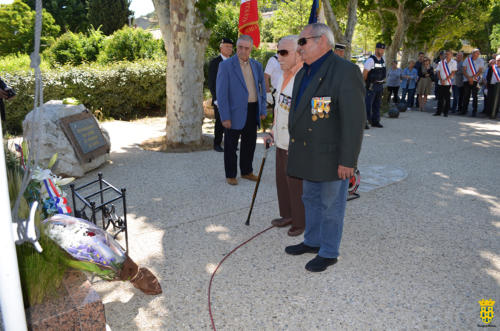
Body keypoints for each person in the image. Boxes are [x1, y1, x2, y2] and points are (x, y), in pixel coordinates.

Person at [285, 23, 365, 272]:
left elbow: (354, 121)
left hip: (332, 156)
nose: (299, 48)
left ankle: (329, 251)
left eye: (303, 42)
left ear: (322, 41)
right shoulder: (303, 72)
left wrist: (348, 160)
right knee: (310, 198)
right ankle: (313, 241)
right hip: (309, 152)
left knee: (332, 205)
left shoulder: (345, 71)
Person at [265, 35, 305, 236]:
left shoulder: (304, 78)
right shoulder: (282, 76)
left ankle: (300, 221)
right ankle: (288, 214)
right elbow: (280, 108)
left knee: (296, 184)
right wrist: (272, 130)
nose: (278, 57)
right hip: (280, 138)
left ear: (299, 54)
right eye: (277, 52)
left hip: (295, 142)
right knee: (282, 180)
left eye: (283, 52)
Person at [216, 35, 267, 185]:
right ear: (236, 48)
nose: (243, 51)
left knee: (249, 143)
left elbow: (262, 89)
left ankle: (247, 171)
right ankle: (231, 174)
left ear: (251, 49)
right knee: (231, 145)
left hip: (252, 109)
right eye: (240, 47)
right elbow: (221, 93)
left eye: (246, 48)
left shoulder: (257, 65)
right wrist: (224, 117)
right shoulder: (225, 66)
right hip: (233, 111)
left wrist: (262, 109)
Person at [208, 38, 234, 152]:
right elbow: (212, 82)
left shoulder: (234, 62)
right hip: (220, 98)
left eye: (231, 47)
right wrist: (216, 99)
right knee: (220, 122)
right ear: (221, 47)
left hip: (232, 98)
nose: (229, 49)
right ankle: (217, 143)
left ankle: (230, 143)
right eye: (226, 46)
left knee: (232, 122)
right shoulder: (215, 62)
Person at [363, 42, 386, 129]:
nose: (382, 51)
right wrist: (365, 85)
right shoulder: (371, 60)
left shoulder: (383, 60)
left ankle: (375, 121)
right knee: (367, 104)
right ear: (376, 49)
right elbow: (364, 74)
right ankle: (364, 122)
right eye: (381, 49)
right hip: (371, 86)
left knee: (377, 104)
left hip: (380, 86)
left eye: (383, 49)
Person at [460, 49, 484, 117]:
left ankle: (474, 111)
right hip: (466, 80)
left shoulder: (481, 60)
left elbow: (480, 71)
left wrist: (472, 78)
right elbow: (464, 70)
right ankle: (464, 110)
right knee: (466, 96)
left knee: (475, 96)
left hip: (475, 80)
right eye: (476, 53)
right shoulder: (467, 60)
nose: (477, 54)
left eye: (478, 53)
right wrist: (469, 78)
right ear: (472, 53)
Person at [433, 50, 457, 117]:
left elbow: (453, 72)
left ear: (451, 55)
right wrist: (441, 80)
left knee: (447, 98)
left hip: (448, 82)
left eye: (448, 54)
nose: (447, 55)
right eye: (446, 54)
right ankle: (438, 112)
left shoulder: (454, 62)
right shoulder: (441, 62)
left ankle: (446, 112)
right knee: (440, 98)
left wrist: (445, 80)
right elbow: (438, 72)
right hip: (441, 83)